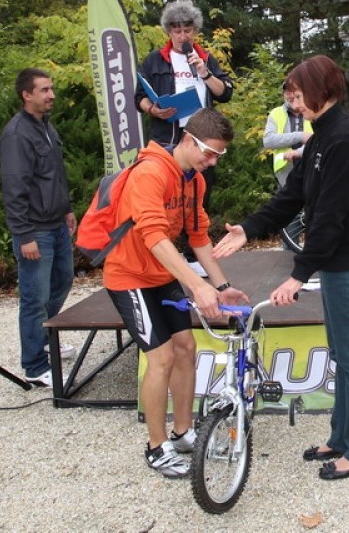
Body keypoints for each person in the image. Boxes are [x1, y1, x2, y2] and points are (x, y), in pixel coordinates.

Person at [213, 55, 349, 482]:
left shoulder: (344, 140)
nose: (293, 100)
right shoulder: (321, 137)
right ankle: (342, 438)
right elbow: (293, 197)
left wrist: (298, 275)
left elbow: (329, 218)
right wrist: (248, 229)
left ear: (322, 89)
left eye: (297, 92)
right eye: (289, 93)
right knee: (344, 355)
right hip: (337, 263)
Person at [102, 108, 249, 478]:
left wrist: (221, 286)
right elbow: (153, 237)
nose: (213, 162)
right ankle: (156, 449)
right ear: (188, 140)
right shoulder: (150, 173)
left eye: (220, 156)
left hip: (160, 274)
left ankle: (183, 433)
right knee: (162, 357)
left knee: (187, 348)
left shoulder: (194, 179)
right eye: (210, 153)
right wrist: (196, 285)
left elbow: (198, 237)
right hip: (129, 276)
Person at [134, 0, 234, 276]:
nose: (182, 35)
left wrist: (204, 73)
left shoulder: (205, 57)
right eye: (176, 30)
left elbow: (225, 92)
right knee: (167, 199)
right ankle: (165, 253)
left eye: (187, 29)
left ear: (195, 31)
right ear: (168, 31)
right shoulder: (155, 60)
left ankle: (194, 256)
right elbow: (138, 97)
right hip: (170, 139)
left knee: (200, 197)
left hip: (204, 140)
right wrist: (154, 109)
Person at [0, 68, 77, 388]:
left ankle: (44, 339)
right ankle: (33, 364)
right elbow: (15, 188)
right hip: (36, 232)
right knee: (34, 297)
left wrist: (68, 210)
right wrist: (24, 235)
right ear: (26, 95)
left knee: (62, 281)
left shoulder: (46, 126)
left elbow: (54, 174)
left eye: (52, 89)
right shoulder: (18, 134)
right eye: (44, 90)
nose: (51, 95)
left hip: (56, 224)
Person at [263, 81, 313, 188]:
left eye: (294, 91)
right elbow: (268, 141)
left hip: (311, 169)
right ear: (284, 94)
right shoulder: (276, 113)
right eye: (287, 92)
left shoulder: (311, 111)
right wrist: (300, 136)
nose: (290, 95)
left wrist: (299, 152)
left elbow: (318, 140)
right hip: (284, 174)